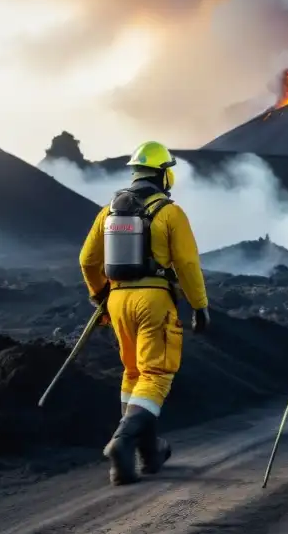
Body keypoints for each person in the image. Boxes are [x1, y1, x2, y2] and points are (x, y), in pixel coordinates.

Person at [79, 141, 210, 486]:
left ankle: (146, 454)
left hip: (119, 301)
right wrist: (199, 306)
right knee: (156, 374)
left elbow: (87, 260)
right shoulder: (169, 213)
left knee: (134, 373)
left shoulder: (109, 212)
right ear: (163, 174)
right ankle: (122, 442)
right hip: (154, 300)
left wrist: (100, 295)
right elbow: (187, 263)